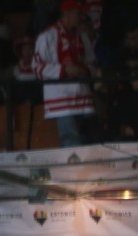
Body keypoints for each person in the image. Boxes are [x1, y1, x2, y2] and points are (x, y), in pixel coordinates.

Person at [33, 0, 97, 147]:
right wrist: (64, 70)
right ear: (66, 14)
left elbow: (93, 63)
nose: (80, 17)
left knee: (88, 140)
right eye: (77, 13)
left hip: (82, 97)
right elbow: (37, 68)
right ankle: (75, 170)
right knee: (71, 140)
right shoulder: (47, 36)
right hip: (61, 99)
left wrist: (84, 70)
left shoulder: (82, 37)